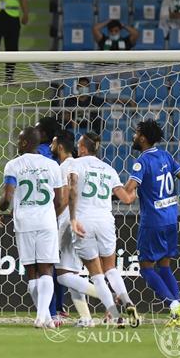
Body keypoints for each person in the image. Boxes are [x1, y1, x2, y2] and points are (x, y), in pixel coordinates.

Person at [123, 119, 180, 328]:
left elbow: (128, 189)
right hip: (171, 220)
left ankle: (175, 306)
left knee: (146, 268)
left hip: (152, 222)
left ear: (143, 138)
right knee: (164, 266)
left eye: (136, 134)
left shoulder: (141, 162)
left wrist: (110, 193)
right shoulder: (167, 156)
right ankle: (179, 312)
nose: (134, 137)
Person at [67, 132, 140, 327]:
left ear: (83, 148)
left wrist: (72, 219)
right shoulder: (109, 169)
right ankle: (127, 301)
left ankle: (116, 315)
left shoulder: (75, 164)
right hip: (106, 221)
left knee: (96, 274)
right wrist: (137, 188)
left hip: (84, 221)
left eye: (79, 144)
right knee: (111, 268)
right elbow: (126, 198)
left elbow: (72, 189)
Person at [0, 126, 64, 329]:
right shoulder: (52, 165)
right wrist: (47, 213)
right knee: (46, 269)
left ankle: (41, 316)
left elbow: (7, 198)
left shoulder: (13, 165)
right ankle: (45, 318)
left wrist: (1, 208)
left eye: (19, 140)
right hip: (46, 222)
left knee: (31, 271)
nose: (17, 143)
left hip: (24, 222)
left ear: (25, 142)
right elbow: (60, 200)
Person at [48, 130, 101, 327]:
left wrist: (53, 218)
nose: (50, 147)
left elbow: (66, 195)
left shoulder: (67, 166)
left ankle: (106, 296)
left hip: (68, 223)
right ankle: (86, 318)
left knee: (62, 277)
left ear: (60, 146)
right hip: (82, 221)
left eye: (53, 143)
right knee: (70, 275)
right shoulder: (76, 164)